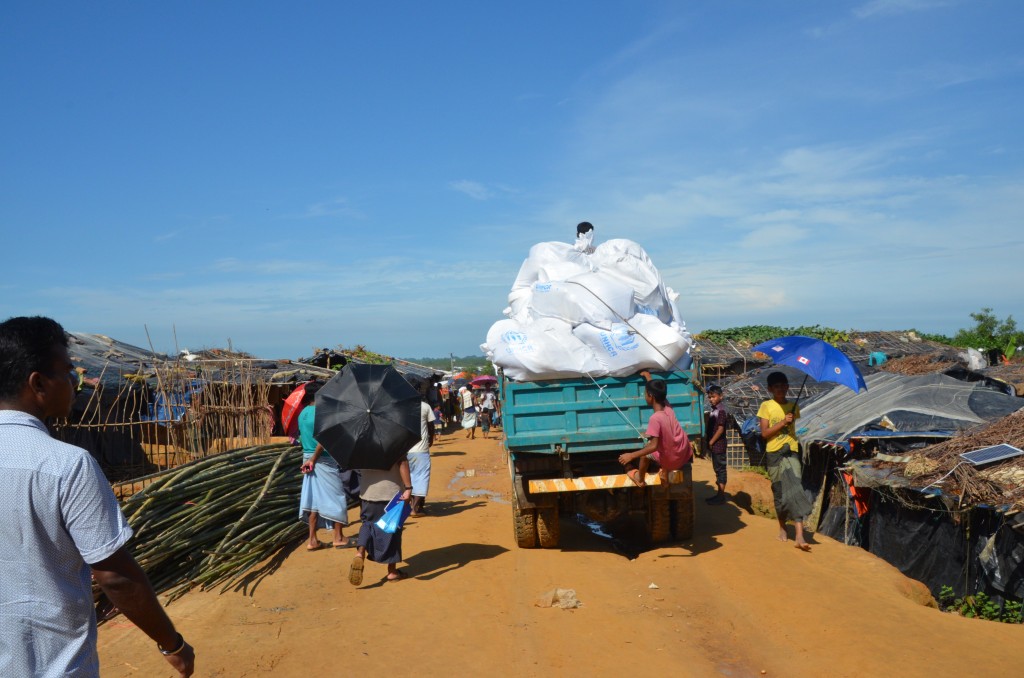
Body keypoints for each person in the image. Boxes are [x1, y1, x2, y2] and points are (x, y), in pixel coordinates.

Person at [0, 316, 195, 677]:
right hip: (53, 664)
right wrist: (172, 643)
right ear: (38, 383)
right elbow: (114, 576)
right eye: (67, 371)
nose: (76, 382)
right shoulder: (65, 464)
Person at [757, 371, 813, 552]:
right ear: (770, 389)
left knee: (796, 488)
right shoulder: (766, 406)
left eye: (784, 385)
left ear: (788, 387)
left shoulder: (793, 407)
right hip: (774, 453)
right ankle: (782, 527)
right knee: (779, 492)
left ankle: (799, 535)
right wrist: (782, 422)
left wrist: (788, 419)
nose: (781, 388)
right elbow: (764, 434)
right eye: (777, 386)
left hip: (791, 451)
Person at [297, 381, 355, 550]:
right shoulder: (322, 413)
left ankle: (312, 540)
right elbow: (323, 439)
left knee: (313, 499)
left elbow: (302, 437)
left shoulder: (303, 414)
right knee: (337, 495)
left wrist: (309, 459)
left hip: (306, 457)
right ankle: (338, 537)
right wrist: (314, 459)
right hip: (321, 459)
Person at [617, 370, 693, 487]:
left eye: (645, 394)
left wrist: (631, 455)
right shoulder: (667, 408)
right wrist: (648, 377)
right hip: (684, 452)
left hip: (672, 460)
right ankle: (664, 473)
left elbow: (654, 446)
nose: (644, 396)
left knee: (645, 453)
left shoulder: (655, 418)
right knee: (665, 444)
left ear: (651, 396)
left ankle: (640, 479)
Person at [349, 458, 414, 585]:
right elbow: (402, 462)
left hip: (368, 493)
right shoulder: (395, 439)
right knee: (392, 529)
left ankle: (360, 552)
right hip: (391, 493)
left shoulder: (360, 442)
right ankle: (392, 571)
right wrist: (408, 488)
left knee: (367, 524)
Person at [408, 396, 436, 517]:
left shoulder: (403, 408)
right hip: (420, 449)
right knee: (422, 478)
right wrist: (431, 439)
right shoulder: (425, 406)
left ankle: (412, 506)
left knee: (409, 479)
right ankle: (414, 509)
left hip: (405, 450)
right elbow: (431, 426)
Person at [705, 385, 729, 504]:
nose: (711, 399)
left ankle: (721, 497)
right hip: (715, 446)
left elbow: (720, 429)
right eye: (709, 397)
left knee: (721, 470)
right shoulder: (714, 409)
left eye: (713, 397)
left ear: (720, 396)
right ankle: (719, 495)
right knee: (717, 469)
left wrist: (711, 441)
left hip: (718, 445)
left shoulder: (721, 410)